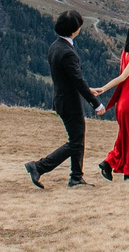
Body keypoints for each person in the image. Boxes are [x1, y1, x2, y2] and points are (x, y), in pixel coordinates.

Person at [25, 10, 100, 189]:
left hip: (61, 98)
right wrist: (96, 104)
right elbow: (78, 80)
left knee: (77, 137)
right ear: (74, 29)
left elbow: (67, 78)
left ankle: (76, 176)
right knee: (75, 141)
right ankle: (39, 166)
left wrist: (88, 91)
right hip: (70, 102)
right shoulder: (68, 52)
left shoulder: (55, 46)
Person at [94, 22, 129, 181]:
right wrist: (103, 89)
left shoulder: (125, 53)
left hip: (123, 102)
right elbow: (123, 77)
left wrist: (112, 101)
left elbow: (122, 79)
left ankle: (110, 162)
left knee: (125, 136)